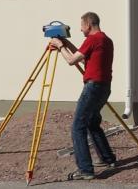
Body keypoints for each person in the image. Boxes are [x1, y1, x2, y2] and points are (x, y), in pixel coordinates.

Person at [50, 11, 117, 180]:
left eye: (81, 26)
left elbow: (72, 60)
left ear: (88, 24)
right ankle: (108, 158)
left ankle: (85, 169)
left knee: (77, 126)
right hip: (104, 87)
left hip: (93, 87)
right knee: (92, 123)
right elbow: (81, 55)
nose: (80, 30)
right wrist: (66, 43)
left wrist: (59, 46)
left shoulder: (93, 39)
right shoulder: (105, 40)